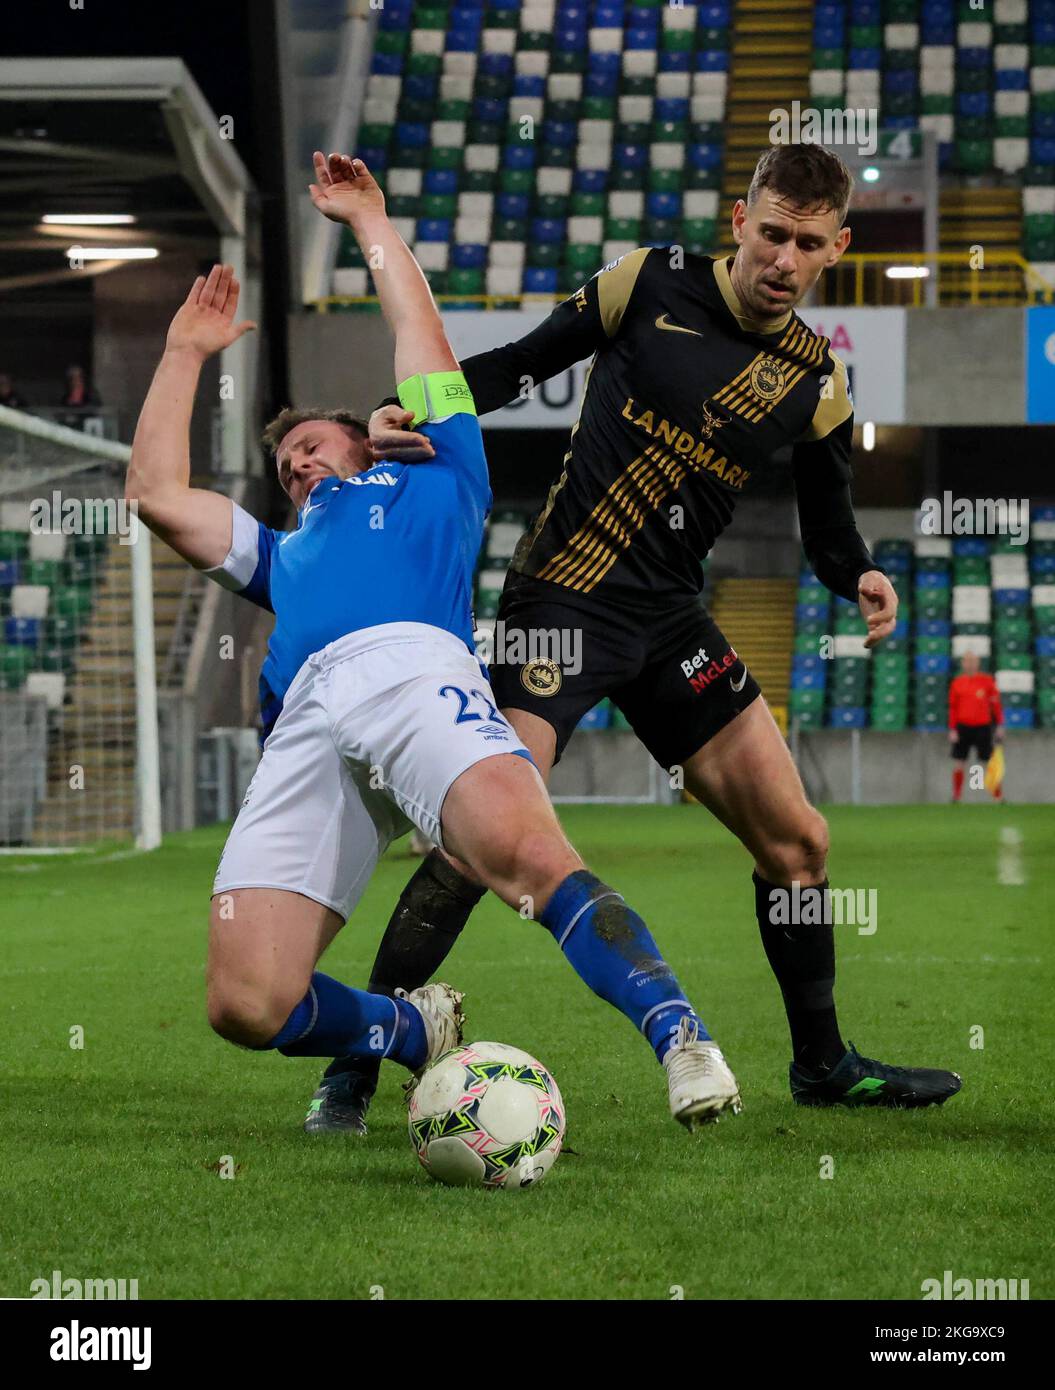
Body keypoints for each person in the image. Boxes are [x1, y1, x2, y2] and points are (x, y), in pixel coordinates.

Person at [317, 142, 963, 1133]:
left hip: (670, 622)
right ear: (737, 219)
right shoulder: (645, 282)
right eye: (769, 233)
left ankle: (821, 1063)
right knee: (470, 844)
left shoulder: (813, 382)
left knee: (798, 843)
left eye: (805, 243)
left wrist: (862, 574)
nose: (781, 259)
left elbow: (828, 527)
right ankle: (354, 1066)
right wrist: (413, 409)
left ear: (834, 247)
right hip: (561, 603)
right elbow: (514, 365)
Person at [124, 154, 740, 1134]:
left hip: (415, 672)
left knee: (526, 857)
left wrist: (370, 220)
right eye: (285, 463)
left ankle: (678, 1033)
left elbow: (420, 330)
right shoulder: (281, 555)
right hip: (312, 722)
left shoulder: (439, 471)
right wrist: (184, 353)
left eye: (315, 446)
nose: (298, 464)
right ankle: (409, 1032)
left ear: (373, 439)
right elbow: (156, 496)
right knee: (246, 1003)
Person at [948, 649, 1004, 802]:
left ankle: (998, 797)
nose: (971, 664)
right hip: (963, 727)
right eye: (967, 661)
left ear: (978, 663)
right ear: (963, 663)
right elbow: (953, 707)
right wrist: (952, 729)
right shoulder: (957, 683)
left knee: (989, 762)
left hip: (983, 727)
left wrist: (999, 725)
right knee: (959, 762)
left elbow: (995, 704)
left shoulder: (987, 681)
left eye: (973, 661)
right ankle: (956, 796)